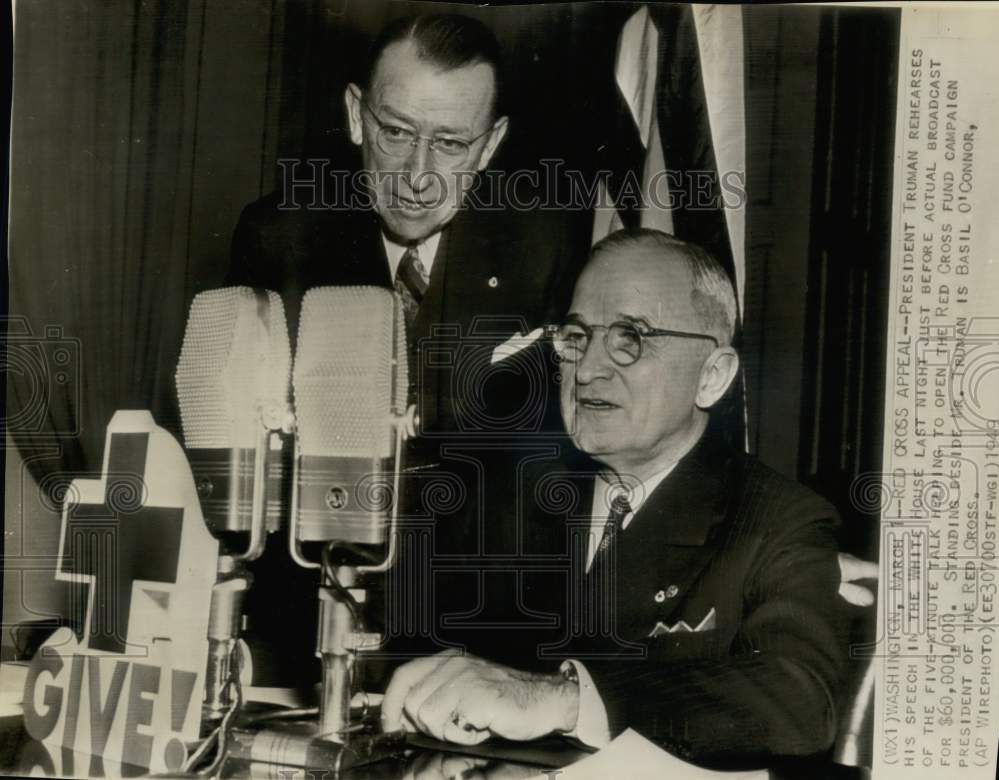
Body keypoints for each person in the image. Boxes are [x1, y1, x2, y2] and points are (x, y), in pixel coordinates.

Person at [381, 229, 848, 768]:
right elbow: (399, 650)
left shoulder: (777, 521)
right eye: (577, 337)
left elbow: (800, 699)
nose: (589, 369)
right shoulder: (500, 495)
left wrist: (563, 699)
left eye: (631, 338)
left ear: (712, 377)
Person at [228, 13, 587, 686]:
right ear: (357, 114)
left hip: (480, 644)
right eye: (396, 132)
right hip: (307, 634)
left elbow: (560, 470)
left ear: (490, 145)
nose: (418, 176)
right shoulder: (278, 236)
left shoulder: (546, 243)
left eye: (452, 144)